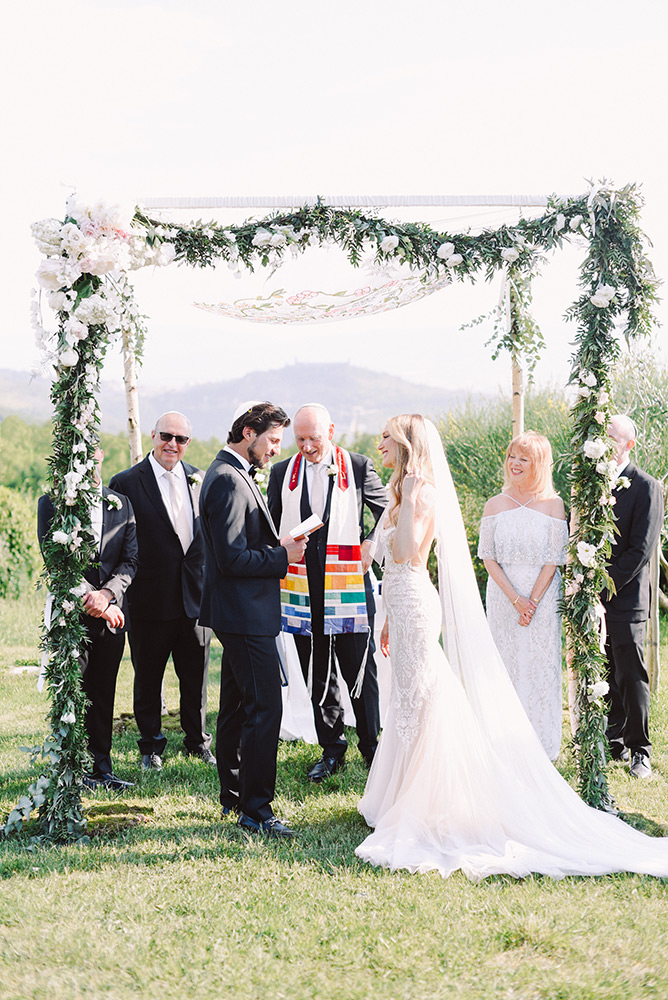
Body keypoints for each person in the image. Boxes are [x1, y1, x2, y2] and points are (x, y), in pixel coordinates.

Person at [355, 414, 668, 880]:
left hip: (441, 602)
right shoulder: (418, 493)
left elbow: (406, 555)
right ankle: (407, 791)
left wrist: (532, 598)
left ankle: (448, 789)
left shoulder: (426, 494)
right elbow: (400, 558)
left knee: (429, 697)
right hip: (425, 604)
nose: (379, 444)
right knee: (412, 697)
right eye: (511, 457)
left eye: (386, 437)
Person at [199, 401, 307, 838]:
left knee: (237, 706)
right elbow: (229, 558)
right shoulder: (226, 479)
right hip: (242, 614)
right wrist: (283, 555)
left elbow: (239, 544)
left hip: (241, 610)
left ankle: (235, 795)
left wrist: (277, 544)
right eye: (274, 440)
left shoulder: (234, 471)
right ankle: (257, 811)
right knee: (265, 707)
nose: (277, 450)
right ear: (249, 432)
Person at [268, 403, 387, 780]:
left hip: (348, 583)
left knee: (359, 671)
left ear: (330, 431)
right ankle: (332, 748)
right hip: (303, 587)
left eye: (313, 438)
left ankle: (373, 750)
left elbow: (388, 511)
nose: (305, 446)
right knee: (316, 671)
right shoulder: (281, 472)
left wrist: (371, 544)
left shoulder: (359, 465)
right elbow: (271, 524)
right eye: (299, 439)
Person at [109, 411, 213, 771]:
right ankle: (150, 746)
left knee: (195, 677)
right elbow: (118, 544)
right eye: (166, 435)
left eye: (181, 439)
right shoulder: (126, 483)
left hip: (195, 599)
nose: (172, 444)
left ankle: (197, 741)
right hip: (148, 600)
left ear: (188, 443)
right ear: (152, 435)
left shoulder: (201, 479)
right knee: (148, 677)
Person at [38, 445, 138, 791]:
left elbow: (130, 560)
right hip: (71, 616)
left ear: (100, 456)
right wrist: (91, 598)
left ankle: (101, 769)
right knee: (71, 693)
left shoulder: (120, 503)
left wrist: (108, 596)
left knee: (103, 693)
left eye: (90, 455)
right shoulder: (51, 504)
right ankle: (68, 769)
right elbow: (56, 562)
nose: (85, 463)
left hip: (110, 618)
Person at [478, 432, 568, 760]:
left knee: (540, 664)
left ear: (539, 464)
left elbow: (554, 557)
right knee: (505, 663)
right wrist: (516, 599)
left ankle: (539, 742)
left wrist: (532, 601)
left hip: (542, 599)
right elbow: (488, 556)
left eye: (524, 458)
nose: (515, 464)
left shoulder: (554, 505)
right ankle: (502, 740)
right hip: (503, 596)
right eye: (512, 457)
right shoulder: (494, 504)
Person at [602, 415, 664, 778]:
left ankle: (640, 749)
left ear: (629, 444)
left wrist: (604, 584)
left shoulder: (647, 487)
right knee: (605, 671)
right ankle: (614, 741)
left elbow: (641, 549)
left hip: (627, 597)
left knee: (631, 673)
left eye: (612, 437)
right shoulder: (593, 484)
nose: (606, 442)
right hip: (594, 597)